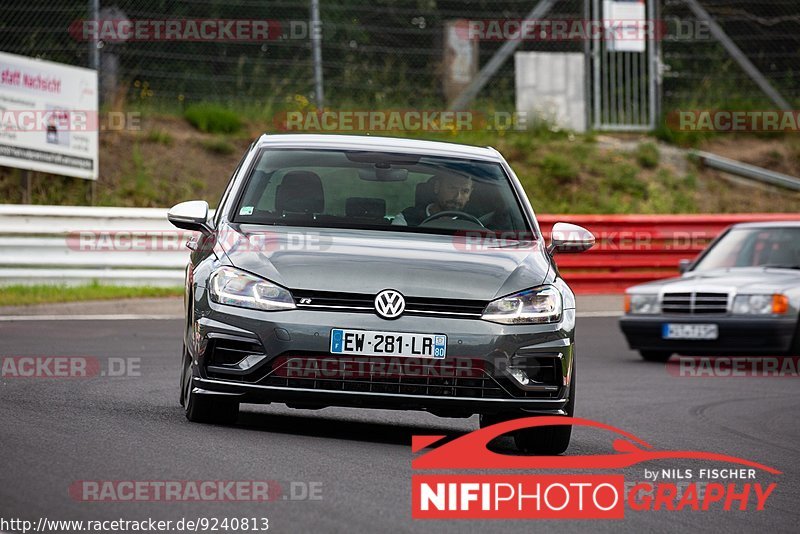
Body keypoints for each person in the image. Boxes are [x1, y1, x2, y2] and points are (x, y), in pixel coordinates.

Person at [392, 172, 473, 226]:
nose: (458, 197)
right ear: (437, 187)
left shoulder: (473, 224)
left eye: (465, 191)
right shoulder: (408, 219)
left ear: (470, 195)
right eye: (452, 188)